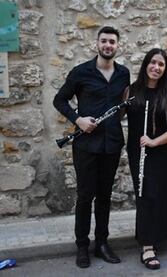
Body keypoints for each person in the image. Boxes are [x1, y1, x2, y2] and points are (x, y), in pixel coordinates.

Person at [53, 26, 130, 268]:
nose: (108, 45)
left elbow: (123, 105)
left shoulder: (123, 74)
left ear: (118, 46)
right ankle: (82, 246)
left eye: (112, 42)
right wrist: (78, 120)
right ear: (97, 44)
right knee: (86, 196)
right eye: (104, 41)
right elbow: (59, 99)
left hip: (112, 143)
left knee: (105, 196)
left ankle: (102, 243)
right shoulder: (81, 72)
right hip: (86, 144)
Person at [125, 48, 167, 270]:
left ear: (165, 69)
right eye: (153, 63)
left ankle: (159, 235)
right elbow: (119, 115)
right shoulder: (131, 91)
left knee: (160, 194)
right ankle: (147, 245)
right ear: (146, 65)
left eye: (161, 65)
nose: (156, 68)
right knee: (145, 195)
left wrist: (155, 141)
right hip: (137, 151)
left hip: (162, 151)